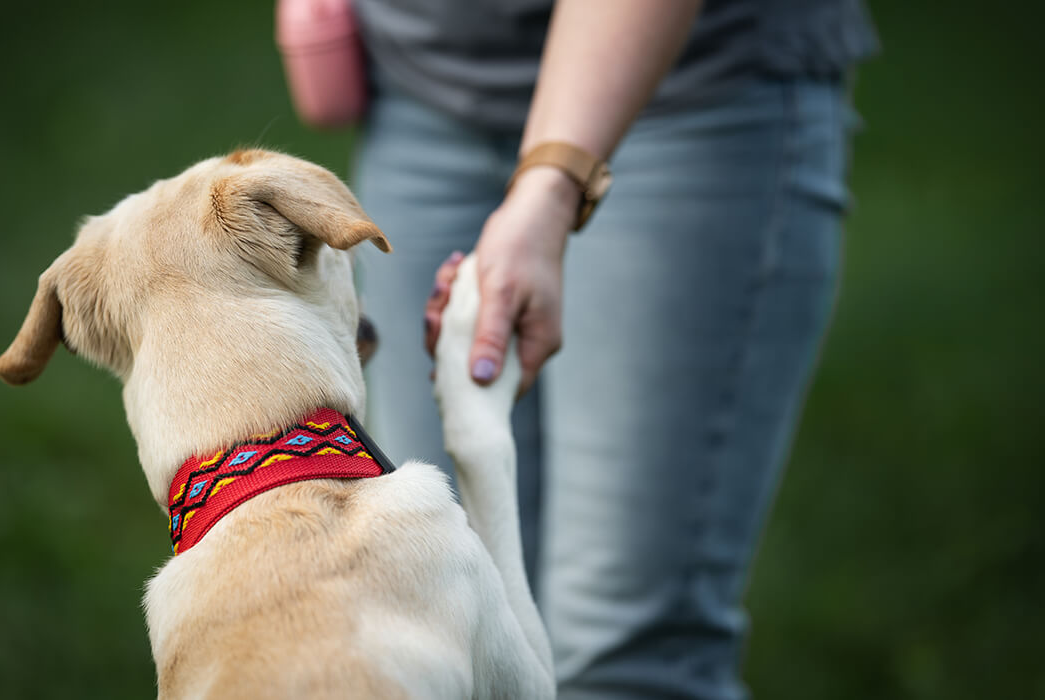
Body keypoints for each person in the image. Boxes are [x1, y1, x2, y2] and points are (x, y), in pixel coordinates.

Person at [348, 1, 877, 697]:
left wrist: (553, 182)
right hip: (421, 91)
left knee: (621, 661)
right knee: (445, 627)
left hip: (688, 91)